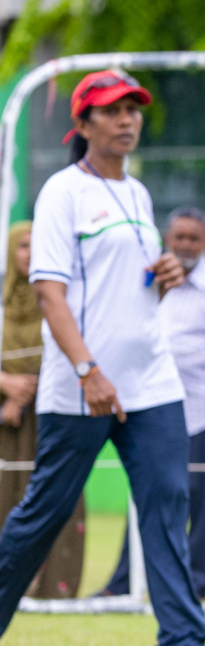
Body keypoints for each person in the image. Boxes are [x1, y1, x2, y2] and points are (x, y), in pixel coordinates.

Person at [0, 71, 205, 646]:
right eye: (111, 111)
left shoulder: (136, 194)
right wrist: (88, 371)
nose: (127, 119)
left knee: (168, 506)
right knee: (41, 516)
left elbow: (117, 289)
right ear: (82, 126)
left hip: (152, 384)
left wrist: (158, 275)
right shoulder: (62, 194)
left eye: (133, 108)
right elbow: (50, 295)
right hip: (82, 388)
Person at [99, 207, 205, 599]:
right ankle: (123, 583)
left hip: (204, 410)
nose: (184, 244)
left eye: (193, 238)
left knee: (199, 500)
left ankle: (195, 586)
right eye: (178, 236)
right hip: (152, 407)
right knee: (147, 493)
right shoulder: (147, 283)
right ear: (166, 239)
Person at [0, 222, 86, 606]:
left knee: (57, 498)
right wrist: (7, 387)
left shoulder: (62, 301)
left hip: (54, 415)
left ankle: (55, 591)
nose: (29, 254)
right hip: (6, 423)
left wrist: (27, 390)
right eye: (22, 246)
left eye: (38, 246)